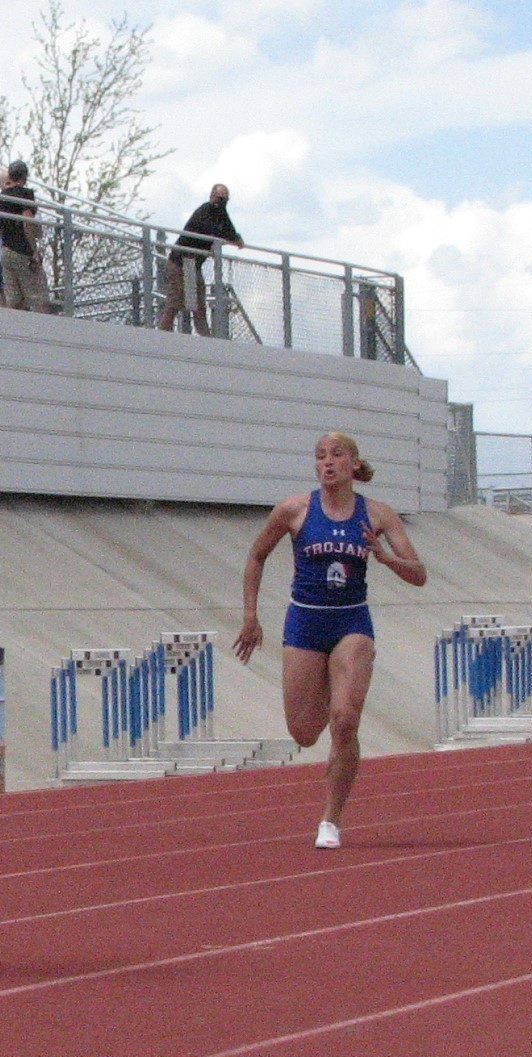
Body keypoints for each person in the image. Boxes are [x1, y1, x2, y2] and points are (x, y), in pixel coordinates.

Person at [233, 432, 427, 849]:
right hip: (304, 623)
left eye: (337, 455)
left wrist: (385, 557)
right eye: (320, 456)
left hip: (351, 623)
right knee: (304, 732)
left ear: (355, 464)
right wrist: (251, 616)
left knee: (345, 720)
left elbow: (419, 574)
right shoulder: (293, 510)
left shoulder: (377, 514)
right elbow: (255, 557)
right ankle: (324, 689)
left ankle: (330, 820)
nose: (328, 462)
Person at [159, 184, 243, 336]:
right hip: (180, 262)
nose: (221, 203)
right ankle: (163, 336)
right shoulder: (204, 211)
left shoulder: (221, 214)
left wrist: (236, 238)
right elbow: (211, 231)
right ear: (212, 196)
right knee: (175, 301)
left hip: (192, 265)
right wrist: (228, 238)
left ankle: (206, 341)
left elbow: (228, 230)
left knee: (198, 305)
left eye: (225, 200)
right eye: (219, 198)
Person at [0, 160, 48, 312]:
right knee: (39, 297)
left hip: (6, 250)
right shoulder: (26, 194)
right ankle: (43, 330)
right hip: (22, 251)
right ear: (25, 176)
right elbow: (27, 221)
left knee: (13, 299)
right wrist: (34, 250)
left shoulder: (1, 197)